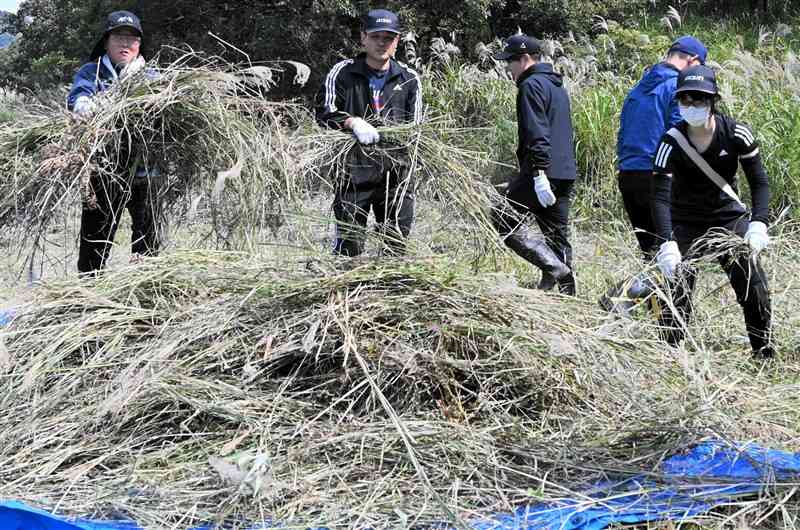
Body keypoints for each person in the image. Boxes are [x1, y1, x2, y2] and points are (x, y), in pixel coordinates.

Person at [651, 65, 774, 358]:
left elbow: (759, 182)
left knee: (753, 284)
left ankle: (763, 350)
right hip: (685, 221)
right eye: (685, 100)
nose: (692, 106)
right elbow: (659, 197)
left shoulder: (736, 133)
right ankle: (672, 353)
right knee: (675, 286)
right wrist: (667, 241)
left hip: (727, 218)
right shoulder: (670, 141)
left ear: (713, 101)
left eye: (699, 99)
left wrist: (759, 223)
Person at [602, 36, 707, 312]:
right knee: (677, 254)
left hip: (629, 175)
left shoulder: (640, 86)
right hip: (658, 179)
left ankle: (660, 317)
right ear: (692, 61)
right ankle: (621, 301)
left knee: (654, 252)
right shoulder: (676, 87)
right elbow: (679, 137)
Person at [315, 9, 422, 257]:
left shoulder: (409, 78)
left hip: (396, 175)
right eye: (376, 36)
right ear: (363, 37)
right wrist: (353, 122)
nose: (382, 43)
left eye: (389, 37)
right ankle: (349, 292)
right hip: (354, 173)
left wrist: (402, 159)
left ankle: (391, 292)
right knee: (349, 248)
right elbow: (324, 111)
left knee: (395, 246)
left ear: (397, 41)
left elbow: (415, 129)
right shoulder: (343, 72)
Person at [67, 10, 159, 274]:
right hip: (103, 172)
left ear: (139, 45)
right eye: (118, 36)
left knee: (148, 243)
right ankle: (90, 293)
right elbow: (78, 98)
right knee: (93, 245)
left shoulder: (150, 76)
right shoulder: (92, 72)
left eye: (132, 38)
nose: (125, 43)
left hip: (145, 171)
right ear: (106, 41)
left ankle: (145, 291)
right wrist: (89, 107)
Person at [490, 34, 577, 294]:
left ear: (526, 59)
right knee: (556, 233)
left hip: (543, 171)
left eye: (511, 62)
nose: (508, 68)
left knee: (502, 219)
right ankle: (566, 292)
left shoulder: (530, 85)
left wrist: (538, 174)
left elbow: (536, 132)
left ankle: (556, 270)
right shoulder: (556, 85)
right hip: (564, 170)